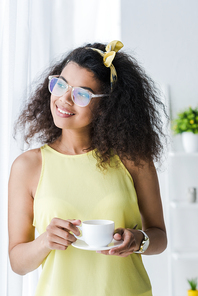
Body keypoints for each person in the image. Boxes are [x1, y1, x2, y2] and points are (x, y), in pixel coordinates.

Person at [8, 40, 168, 296]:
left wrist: (139, 241)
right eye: (61, 84)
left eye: (82, 94)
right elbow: (17, 262)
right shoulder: (28, 166)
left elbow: (159, 237)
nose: (64, 99)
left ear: (107, 106)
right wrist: (45, 242)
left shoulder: (133, 158)